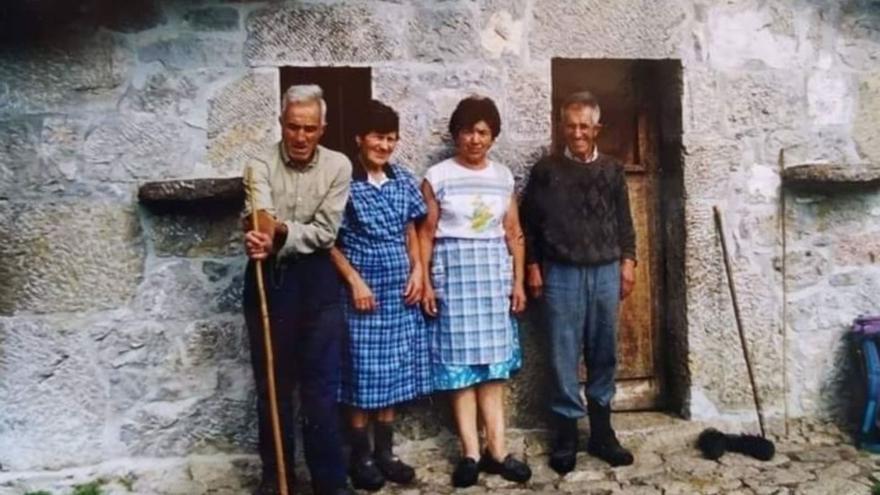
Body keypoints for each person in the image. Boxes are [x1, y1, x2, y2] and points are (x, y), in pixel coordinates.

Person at [242, 84, 354, 495]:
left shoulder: (339, 166)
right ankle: (278, 479)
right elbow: (258, 219)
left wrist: (281, 231)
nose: (301, 136)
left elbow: (326, 233)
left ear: (322, 128)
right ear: (281, 124)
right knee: (272, 386)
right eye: (293, 127)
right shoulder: (258, 164)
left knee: (321, 386)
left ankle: (330, 482)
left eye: (310, 128)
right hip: (269, 279)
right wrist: (259, 236)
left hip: (318, 280)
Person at [520, 90, 637, 473]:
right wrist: (533, 266)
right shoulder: (546, 171)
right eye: (570, 126)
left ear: (597, 128)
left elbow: (625, 221)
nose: (577, 133)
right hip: (561, 273)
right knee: (562, 354)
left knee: (604, 351)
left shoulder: (612, 170)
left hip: (604, 270)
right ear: (562, 127)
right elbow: (529, 226)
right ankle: (566, 436)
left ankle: (602, 433)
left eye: (584, 126)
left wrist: (628, 261)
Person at [418, 95, 531, 488]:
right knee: (460, 371)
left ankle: (497, 450)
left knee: (493, 370)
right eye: (467, 131)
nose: (475, 139)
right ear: (455, 135)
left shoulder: (503, 177)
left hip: (492, 278)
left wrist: (517, 282)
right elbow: (426, 233)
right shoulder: (438, 176)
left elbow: (514, 233)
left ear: (493, 137)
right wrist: (427, 282)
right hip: (454, 277)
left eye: (483, 132)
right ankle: (470, 452)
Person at [329, 100, 432, 492]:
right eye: (377, 137)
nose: (384, 145)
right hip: (363, 296)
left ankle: (386, 453)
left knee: (391, 372)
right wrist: (354, 281)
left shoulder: (402, 180)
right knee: (362, 374)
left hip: (399, 294)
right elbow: (328, 241)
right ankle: (361, 457)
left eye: (391, 138)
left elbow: (412, 229)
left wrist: (419, 271)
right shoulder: (343, 182)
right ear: (360, 138)